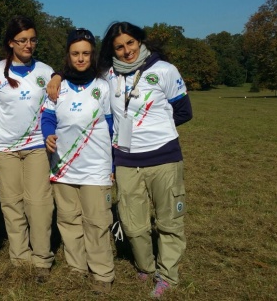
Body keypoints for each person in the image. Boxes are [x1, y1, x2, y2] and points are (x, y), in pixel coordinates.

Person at [50, 21, 192, 298]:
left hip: (164, 156)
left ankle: (168, 276)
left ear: (139, 41)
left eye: (130, 43)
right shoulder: (108, 75)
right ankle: (145, 267)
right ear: (111, 50)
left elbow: (184, 112)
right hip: (126, 161)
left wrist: (152, 128)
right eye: (119, 46)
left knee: (168, 222)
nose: (126, 50)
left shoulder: (164, 70)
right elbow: (78, 69)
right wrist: (56, 75)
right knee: (132, 224)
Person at [41, 28, 115, 293]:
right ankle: (76, 268)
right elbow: (48, 118)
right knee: (69, 219)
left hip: (96, 167)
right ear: (68, 55)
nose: (81, 58)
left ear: (92, 55)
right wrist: (48, 135)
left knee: (97, 222)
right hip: (63, 167)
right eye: (75, 53)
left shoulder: (103, 86)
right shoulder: (56, 86)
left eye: (86, 53)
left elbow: (111, 127)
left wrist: (113, 166)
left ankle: (102, 274)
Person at [0, 16, 54, 282]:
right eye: (23, 40)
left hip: (37, 146)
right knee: (12, 203)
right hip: (4, 149)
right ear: (10, 43)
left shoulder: (46, 71)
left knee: (38, 204)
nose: (29, 45)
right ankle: (19, 257)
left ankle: (41, 259)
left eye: (32, 39)